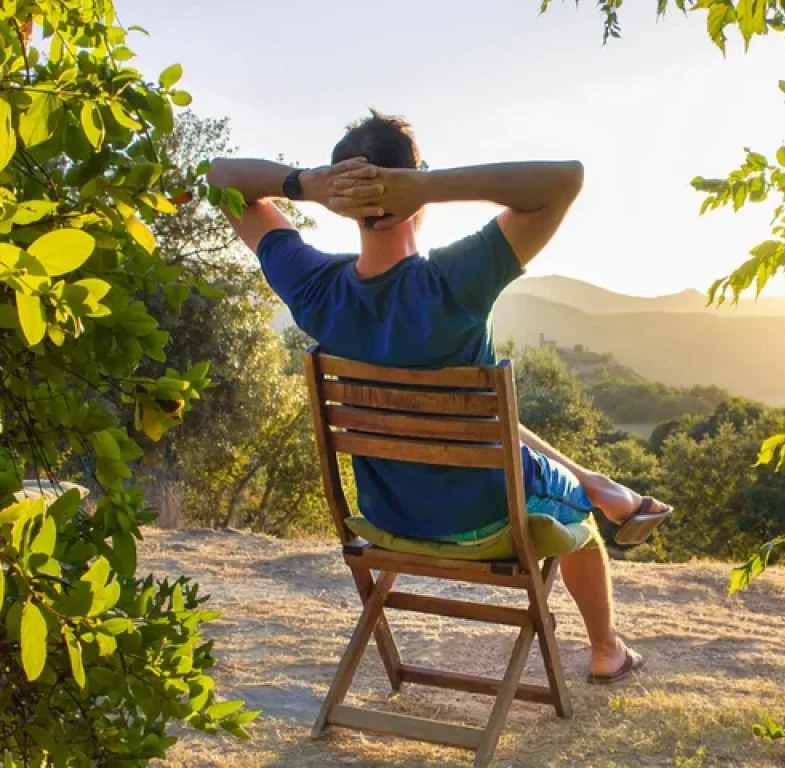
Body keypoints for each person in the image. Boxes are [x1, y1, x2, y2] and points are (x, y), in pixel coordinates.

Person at [208, 111, 672, 683]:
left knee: (486, 419)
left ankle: (599, 486)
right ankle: (607, 649)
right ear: (414, 191)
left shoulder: (312, 286)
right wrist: (425, 185)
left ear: (343, 203)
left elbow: (220, 178)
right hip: (486, 519)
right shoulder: (454, 280)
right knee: (578, 519)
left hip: (387, 518)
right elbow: (564, 179)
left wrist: (306, 185)